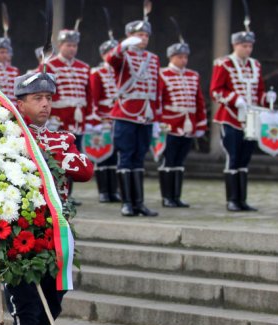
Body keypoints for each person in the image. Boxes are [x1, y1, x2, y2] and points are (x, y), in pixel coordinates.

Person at [0, 71, 92, 325]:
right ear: (19, 103)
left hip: (55, 238)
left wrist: (58, 156)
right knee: (27, 314)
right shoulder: (7, 137)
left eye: (49, 98)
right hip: (17, 238)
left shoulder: (61, 137)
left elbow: (84, 169)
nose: (45, 104)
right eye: (37, 98)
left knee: (53, 307)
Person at [210, 25, 269, 212]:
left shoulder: (255, 65)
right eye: (244, 46)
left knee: (245, 158)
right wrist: (234, 99)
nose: (248, 49)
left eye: (250, 46)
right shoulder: (223, 64)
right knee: (233, 157)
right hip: (231, 117)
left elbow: (259, 89)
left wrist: (267, 98)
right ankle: (232, 200)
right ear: (235, 45)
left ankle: (242, 200)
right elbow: (216, 91)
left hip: (251, 117)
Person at [106, 17, 160, 217]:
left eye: (146, 35)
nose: (143, 38)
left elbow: (157, 88)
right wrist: (122, 47)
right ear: (130, 37)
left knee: (139, 158)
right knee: (126, 157)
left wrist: (157, 115)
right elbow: (111, 60)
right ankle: (126, 202)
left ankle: (139, 203)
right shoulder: (123, 56)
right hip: (126, 113)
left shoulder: (153, 58)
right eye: (139, 35)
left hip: (145, 115)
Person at [42, 28, 91, 205]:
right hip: (58, 119)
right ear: (60, 46)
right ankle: (58, 193)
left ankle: (69, 194)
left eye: (74, 45)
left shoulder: (84, 67)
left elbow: (88, 95)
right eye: (68, 45)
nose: (72, 49)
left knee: (75, 156)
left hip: (77, 120)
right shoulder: (50, 66)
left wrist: (89, 118)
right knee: (59, 157)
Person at [157, 39, 207, 208]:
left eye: (185, 57)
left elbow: (198, 101)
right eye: (179, 57)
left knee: (180, 162)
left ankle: (176, 196)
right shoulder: (162, 74)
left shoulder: (193, 75)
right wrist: (158, 123)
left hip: (188, 125)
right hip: (170, 125)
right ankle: (167, 197)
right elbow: (159, 101)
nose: (183, 60)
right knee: (168, 161)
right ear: (171, 57)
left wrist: (200, 125)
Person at [87, 39, 120, 203]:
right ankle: (104, 191)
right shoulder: (97, 73)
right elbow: (93, 98)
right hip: (103, 119)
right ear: (103, 55)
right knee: (102, 155)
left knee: (115, 156)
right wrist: (96, 121)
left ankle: (114, 191)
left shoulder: (121, 72)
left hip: (119, 118)